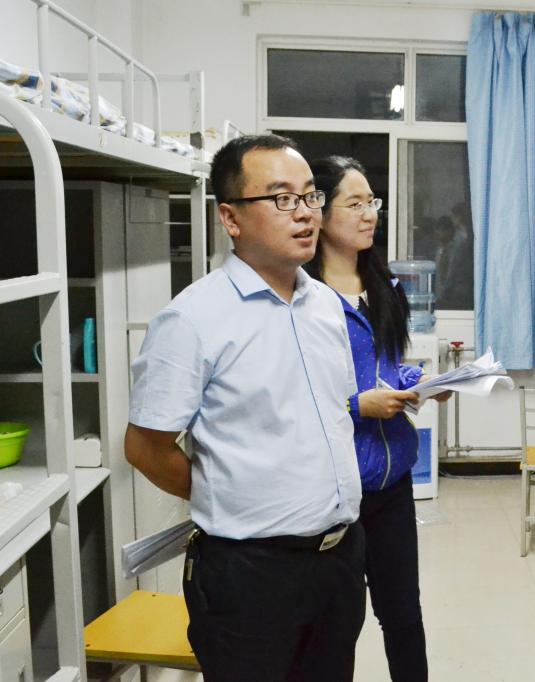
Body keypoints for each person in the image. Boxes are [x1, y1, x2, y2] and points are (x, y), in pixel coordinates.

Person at [124, 134, 366, 682]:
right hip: (250, 574)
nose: (304, 213)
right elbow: (144, 448)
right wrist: (229, 492)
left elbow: (333, 414)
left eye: (310, 196)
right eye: (282, 198)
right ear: (230, 218)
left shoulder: (326, 306)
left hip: (339, 560)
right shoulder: (192, 320)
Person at [306, 155, 447, 682]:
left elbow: (385, 367)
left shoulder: (383, 285)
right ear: (320, 212)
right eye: (355, 203)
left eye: (373, 202)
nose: (370, 214)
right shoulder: (304, 297)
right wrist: (356, 406)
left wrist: (419, 384)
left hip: (391, 483)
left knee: (403, 615)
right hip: (333, 491)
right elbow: (297, 395)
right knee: (335, 624)